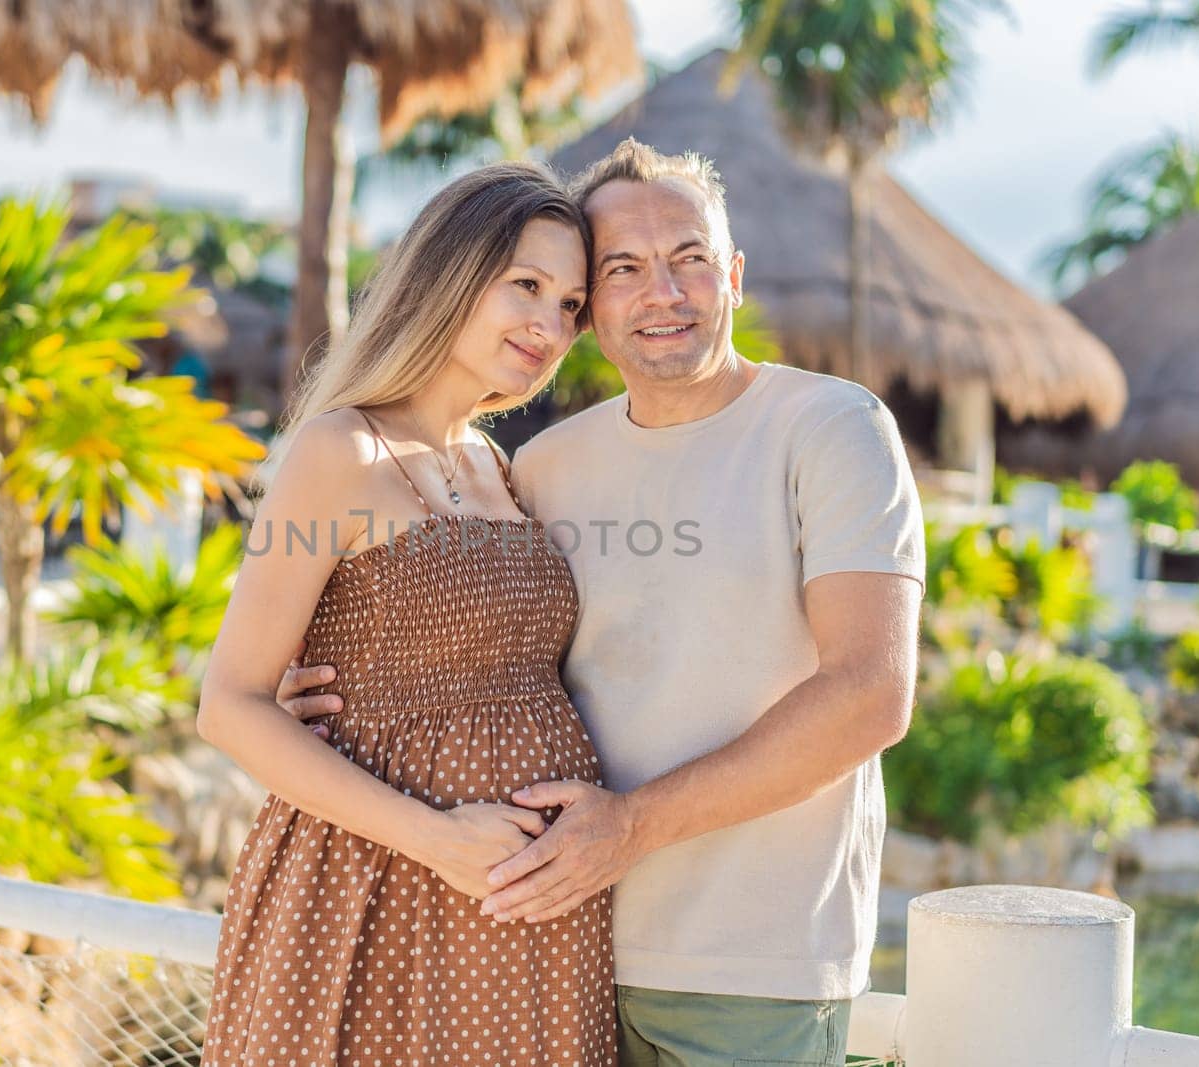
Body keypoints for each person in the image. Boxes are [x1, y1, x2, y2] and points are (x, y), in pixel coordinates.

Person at [281, 139, 925, 1067]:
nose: (661, 292)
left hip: (751, 970)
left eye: (689, 259)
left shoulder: (832, 427)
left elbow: (870, 693)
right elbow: (465, 633)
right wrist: (332, 696)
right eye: (621, 269)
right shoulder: (539, 468)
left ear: (733, 275)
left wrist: (627, 830)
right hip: (540, 944)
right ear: (594, 311)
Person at [195, 161, 617, 1066]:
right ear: (451, 274)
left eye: (572, 305)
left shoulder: (499, 465)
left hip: (526, 915)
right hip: (375, 888)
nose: (551, 326)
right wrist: (440, 839)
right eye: (527, 286)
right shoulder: (336, 450)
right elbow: (229, 701)